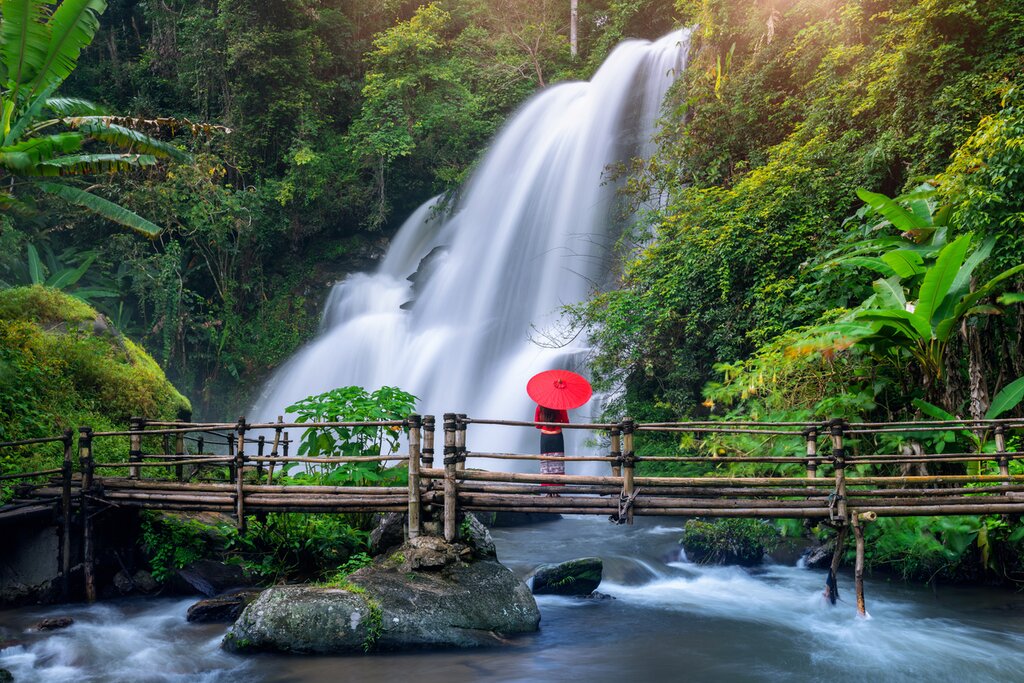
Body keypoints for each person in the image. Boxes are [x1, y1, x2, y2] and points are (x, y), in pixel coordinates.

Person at [535, 404, 569, 485]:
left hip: (545, 437)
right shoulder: (561, 406)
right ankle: (557, 489)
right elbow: (566, 422)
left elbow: (537, 425)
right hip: (557, 436)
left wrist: (545, 423)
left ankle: (547, 489)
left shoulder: (539, 407)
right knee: (558, 462)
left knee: (546, 463)